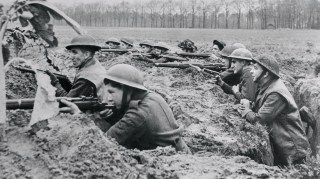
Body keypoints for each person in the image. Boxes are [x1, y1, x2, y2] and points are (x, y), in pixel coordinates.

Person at [60, 64, 191, 153]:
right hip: (181, 151)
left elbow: (102, 145)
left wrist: (80, 118)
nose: (109, 98)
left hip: (171, 163)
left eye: (111, 92)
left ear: (127, 89)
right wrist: (112, 117)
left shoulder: (138, 114)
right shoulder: (151, 97)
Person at [238, 54, 309, 166]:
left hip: (293, 152)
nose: (251, 71)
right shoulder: (266, 86)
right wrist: (250, 106)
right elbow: (261, 107)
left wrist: (247, 111)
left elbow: (260, 120)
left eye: (255, 68)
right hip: (283, 148)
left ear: (266, 73)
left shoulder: (276, 93)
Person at [46, 35, 106, 99]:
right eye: (71, 52)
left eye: (75, 52)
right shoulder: (95, 65)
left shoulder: (87, 78)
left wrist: (55, 82)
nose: (70, 56)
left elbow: (67, 101)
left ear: (86, 54)